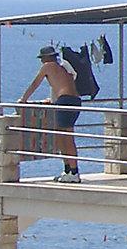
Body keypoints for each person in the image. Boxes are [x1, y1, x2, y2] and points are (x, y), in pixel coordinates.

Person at [18, 45, 83, 182]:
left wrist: (24, 99)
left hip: (65, 101)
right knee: (61, 135)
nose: (41, 61)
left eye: (42, 58)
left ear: (47, 57)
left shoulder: (48, 66)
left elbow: (35, 83)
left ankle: (74, 172)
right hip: (74, 100)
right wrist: (53, 99)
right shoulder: (64, 66)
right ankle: (68, 170)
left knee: (66, 137)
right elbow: (62, 84)